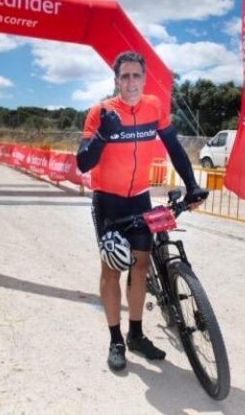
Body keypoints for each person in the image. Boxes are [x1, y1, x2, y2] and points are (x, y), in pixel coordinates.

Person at [77, 51, 208, 373]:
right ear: (116, 80)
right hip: (108, 202)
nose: (131, 82)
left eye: (136, 76)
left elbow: (174, 147)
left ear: (144, 79)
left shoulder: (153, 108)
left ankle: (136, 334)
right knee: (112, 270)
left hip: (139, 197)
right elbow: (83, 162)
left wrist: (192, 184)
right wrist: (103, 135)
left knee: (140, 267)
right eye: (125, 76)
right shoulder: (100, 112)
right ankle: (116, 340)